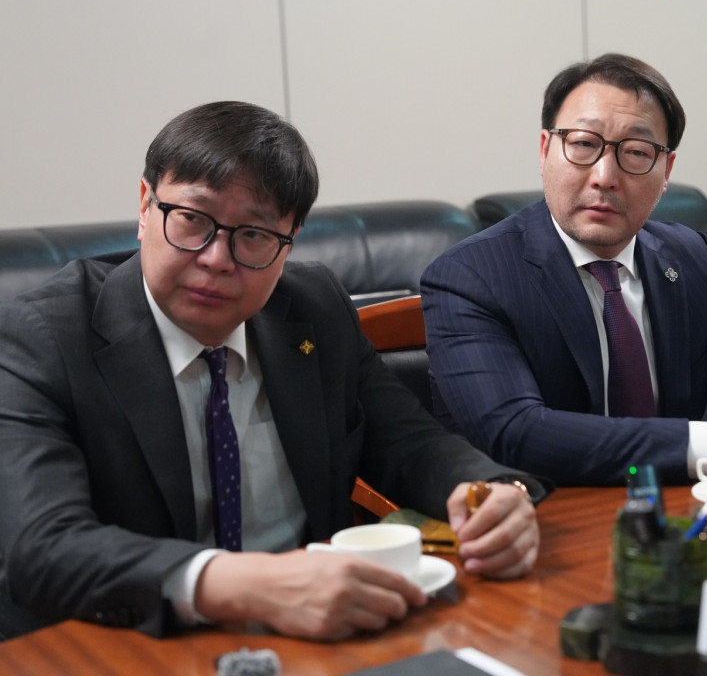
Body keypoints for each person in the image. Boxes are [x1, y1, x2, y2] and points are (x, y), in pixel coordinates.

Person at [0, 101, 543, 642]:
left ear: (290, 241)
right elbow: (43, 546)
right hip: (126, 642)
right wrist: (241, 585)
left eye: (254, 235)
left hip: (318, 635)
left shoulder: (314, 308)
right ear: (146, 206)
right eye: (192, 219)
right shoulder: (44, 336)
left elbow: (409, 442)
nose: (216, 258)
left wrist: (491, 492)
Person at [421, 53, 707, 487]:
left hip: (685, 512)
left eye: (636, 152)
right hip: (541, 516)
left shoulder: (691, 257)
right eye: (583, 144)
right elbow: (515, 432)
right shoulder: (470, 276)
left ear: (666, 170)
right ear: (545, 151)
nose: (604, 176)